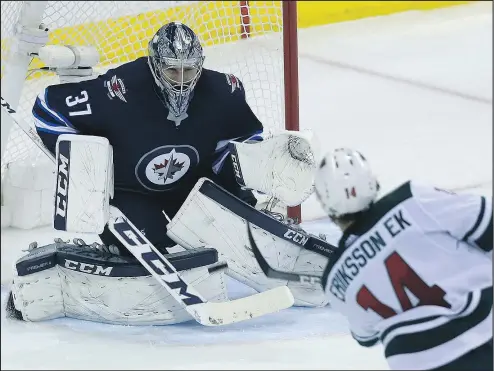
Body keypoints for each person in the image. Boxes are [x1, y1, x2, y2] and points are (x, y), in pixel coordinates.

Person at [32, 21, 263, 254]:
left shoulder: (223, 90)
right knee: (147, 246)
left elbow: (243, 138)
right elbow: (47, 109)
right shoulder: (119, 90)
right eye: (172, 70)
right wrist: (84, 171)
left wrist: (250, 173)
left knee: (239, 228)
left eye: (189, 69)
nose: (182, 79)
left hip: (191, 187)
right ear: (155, 64)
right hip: (131, 194)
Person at [311, 148, 492, 370]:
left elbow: (366, 337)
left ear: (325, 202)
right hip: (484, 330)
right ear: (371, 182)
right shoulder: (412, 200)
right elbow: (487, 222)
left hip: (417, 362)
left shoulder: (334, 280)